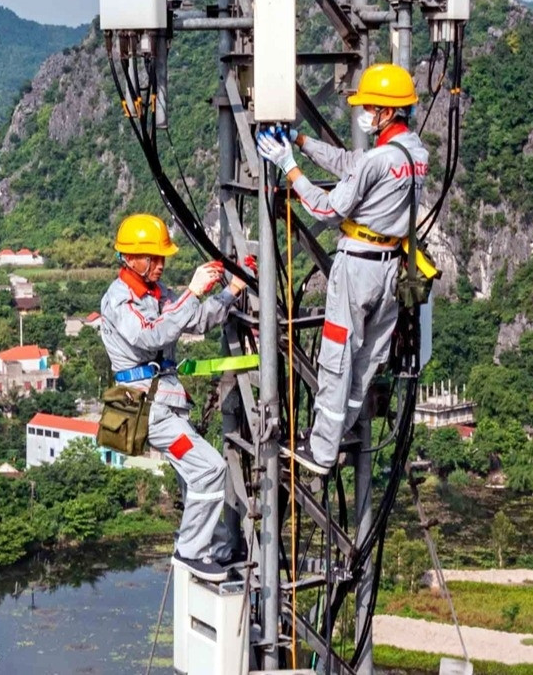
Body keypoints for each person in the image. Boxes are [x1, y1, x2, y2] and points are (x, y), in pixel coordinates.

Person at [254, 62, 429, 477]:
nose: (363, 113)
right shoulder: (414, 152)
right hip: (393, 270)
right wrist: (299, 139)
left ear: (387, 112)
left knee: (337, 355)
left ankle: (322, 451)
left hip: (358, 269)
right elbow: (353, 162)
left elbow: (327, 209)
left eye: (369, 106)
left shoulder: (380, 159)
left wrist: (289, 167)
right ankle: (344, 427)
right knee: (368, 356)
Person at [98, 212, 247, 580]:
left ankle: (218, 547)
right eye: (154, 258)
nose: (161, 265)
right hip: (147, 410)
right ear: (131, 258)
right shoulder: (119, 301)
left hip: (167, 405)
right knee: (210, 469)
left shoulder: (156, 294)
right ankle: (191, 551)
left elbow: (193, 321)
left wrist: (229, 292)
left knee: (194, 477)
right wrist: (193, 292)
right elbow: (151, 335)